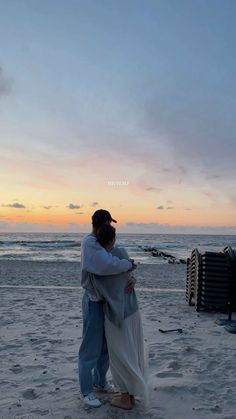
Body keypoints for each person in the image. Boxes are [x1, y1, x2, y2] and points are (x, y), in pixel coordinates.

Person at [78, 209, 134, 408]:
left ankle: (99, 382)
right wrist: (128, 265)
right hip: (94, 302)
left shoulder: (99, 242)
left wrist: (130, 276)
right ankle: (86, 391)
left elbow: (111, 271)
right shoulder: (90, 243)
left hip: (105, 302)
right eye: (109, 223)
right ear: (102, 224)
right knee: (90, 348)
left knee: (105, 347)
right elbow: (107, 265)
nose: (111, 227)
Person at [92, 224, 148, 410]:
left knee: (119, 355)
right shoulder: (123, 254)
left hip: (116, 315)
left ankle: (125, 398)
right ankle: (130, 394)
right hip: (133, 310)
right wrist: (131, 279)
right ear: (114, 239)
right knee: (132, 351)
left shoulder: (101, 262)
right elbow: (130, 274)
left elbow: (96, 291)